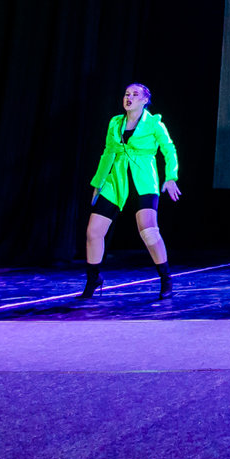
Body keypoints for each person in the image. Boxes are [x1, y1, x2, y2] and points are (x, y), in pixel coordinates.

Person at [80, 82, 181, 301]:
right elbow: (108, 152)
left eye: (135, 94)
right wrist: (98, 183)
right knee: (93, 232)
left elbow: (169, 149)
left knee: (149, 231)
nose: (129, 97)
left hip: (143, 182)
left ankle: (166, 278)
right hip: (116, 181)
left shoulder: (154, 124)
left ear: (145, 100)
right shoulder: (115, 122)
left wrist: (171, 177)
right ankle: (93, 279)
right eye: (127, 94)